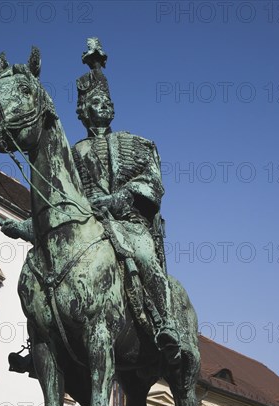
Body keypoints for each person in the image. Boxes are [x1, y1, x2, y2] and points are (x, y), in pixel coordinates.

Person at [71, 38, 181, 364]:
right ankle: (38, 345)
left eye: (106, 101)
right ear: (83, 110)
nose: (102, 105)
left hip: (128, 222)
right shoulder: (73, 152)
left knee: (145, 258)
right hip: (88, 222)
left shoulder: (135, 144)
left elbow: (154, 183)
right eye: (95, 101)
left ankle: (165, 324)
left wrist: (124, 194)